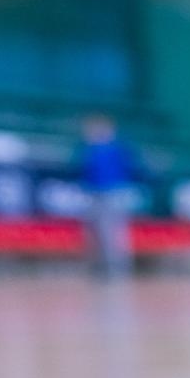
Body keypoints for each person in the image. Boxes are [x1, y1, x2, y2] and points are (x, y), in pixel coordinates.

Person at [77, 115, 136, 280]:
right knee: (94, 232)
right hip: (93, 194)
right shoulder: (89, 150)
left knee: (112, 232)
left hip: (112, 194)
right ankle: (99, 266)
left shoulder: (117, 149)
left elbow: (130, 170)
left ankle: (117, 268)